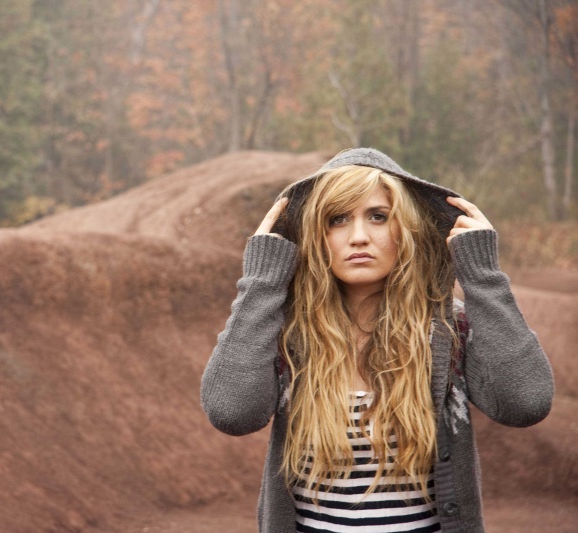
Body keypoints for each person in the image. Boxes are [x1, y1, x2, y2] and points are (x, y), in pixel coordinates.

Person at [200, 148, 554, 533]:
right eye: (337, 220)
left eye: (378, 217)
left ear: (408, 230)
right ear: (316, 236)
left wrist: (482, 275)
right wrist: (262, 280)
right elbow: (231, 413)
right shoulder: (284, 333)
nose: (358, 237)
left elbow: (526, 404)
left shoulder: (450, 330)